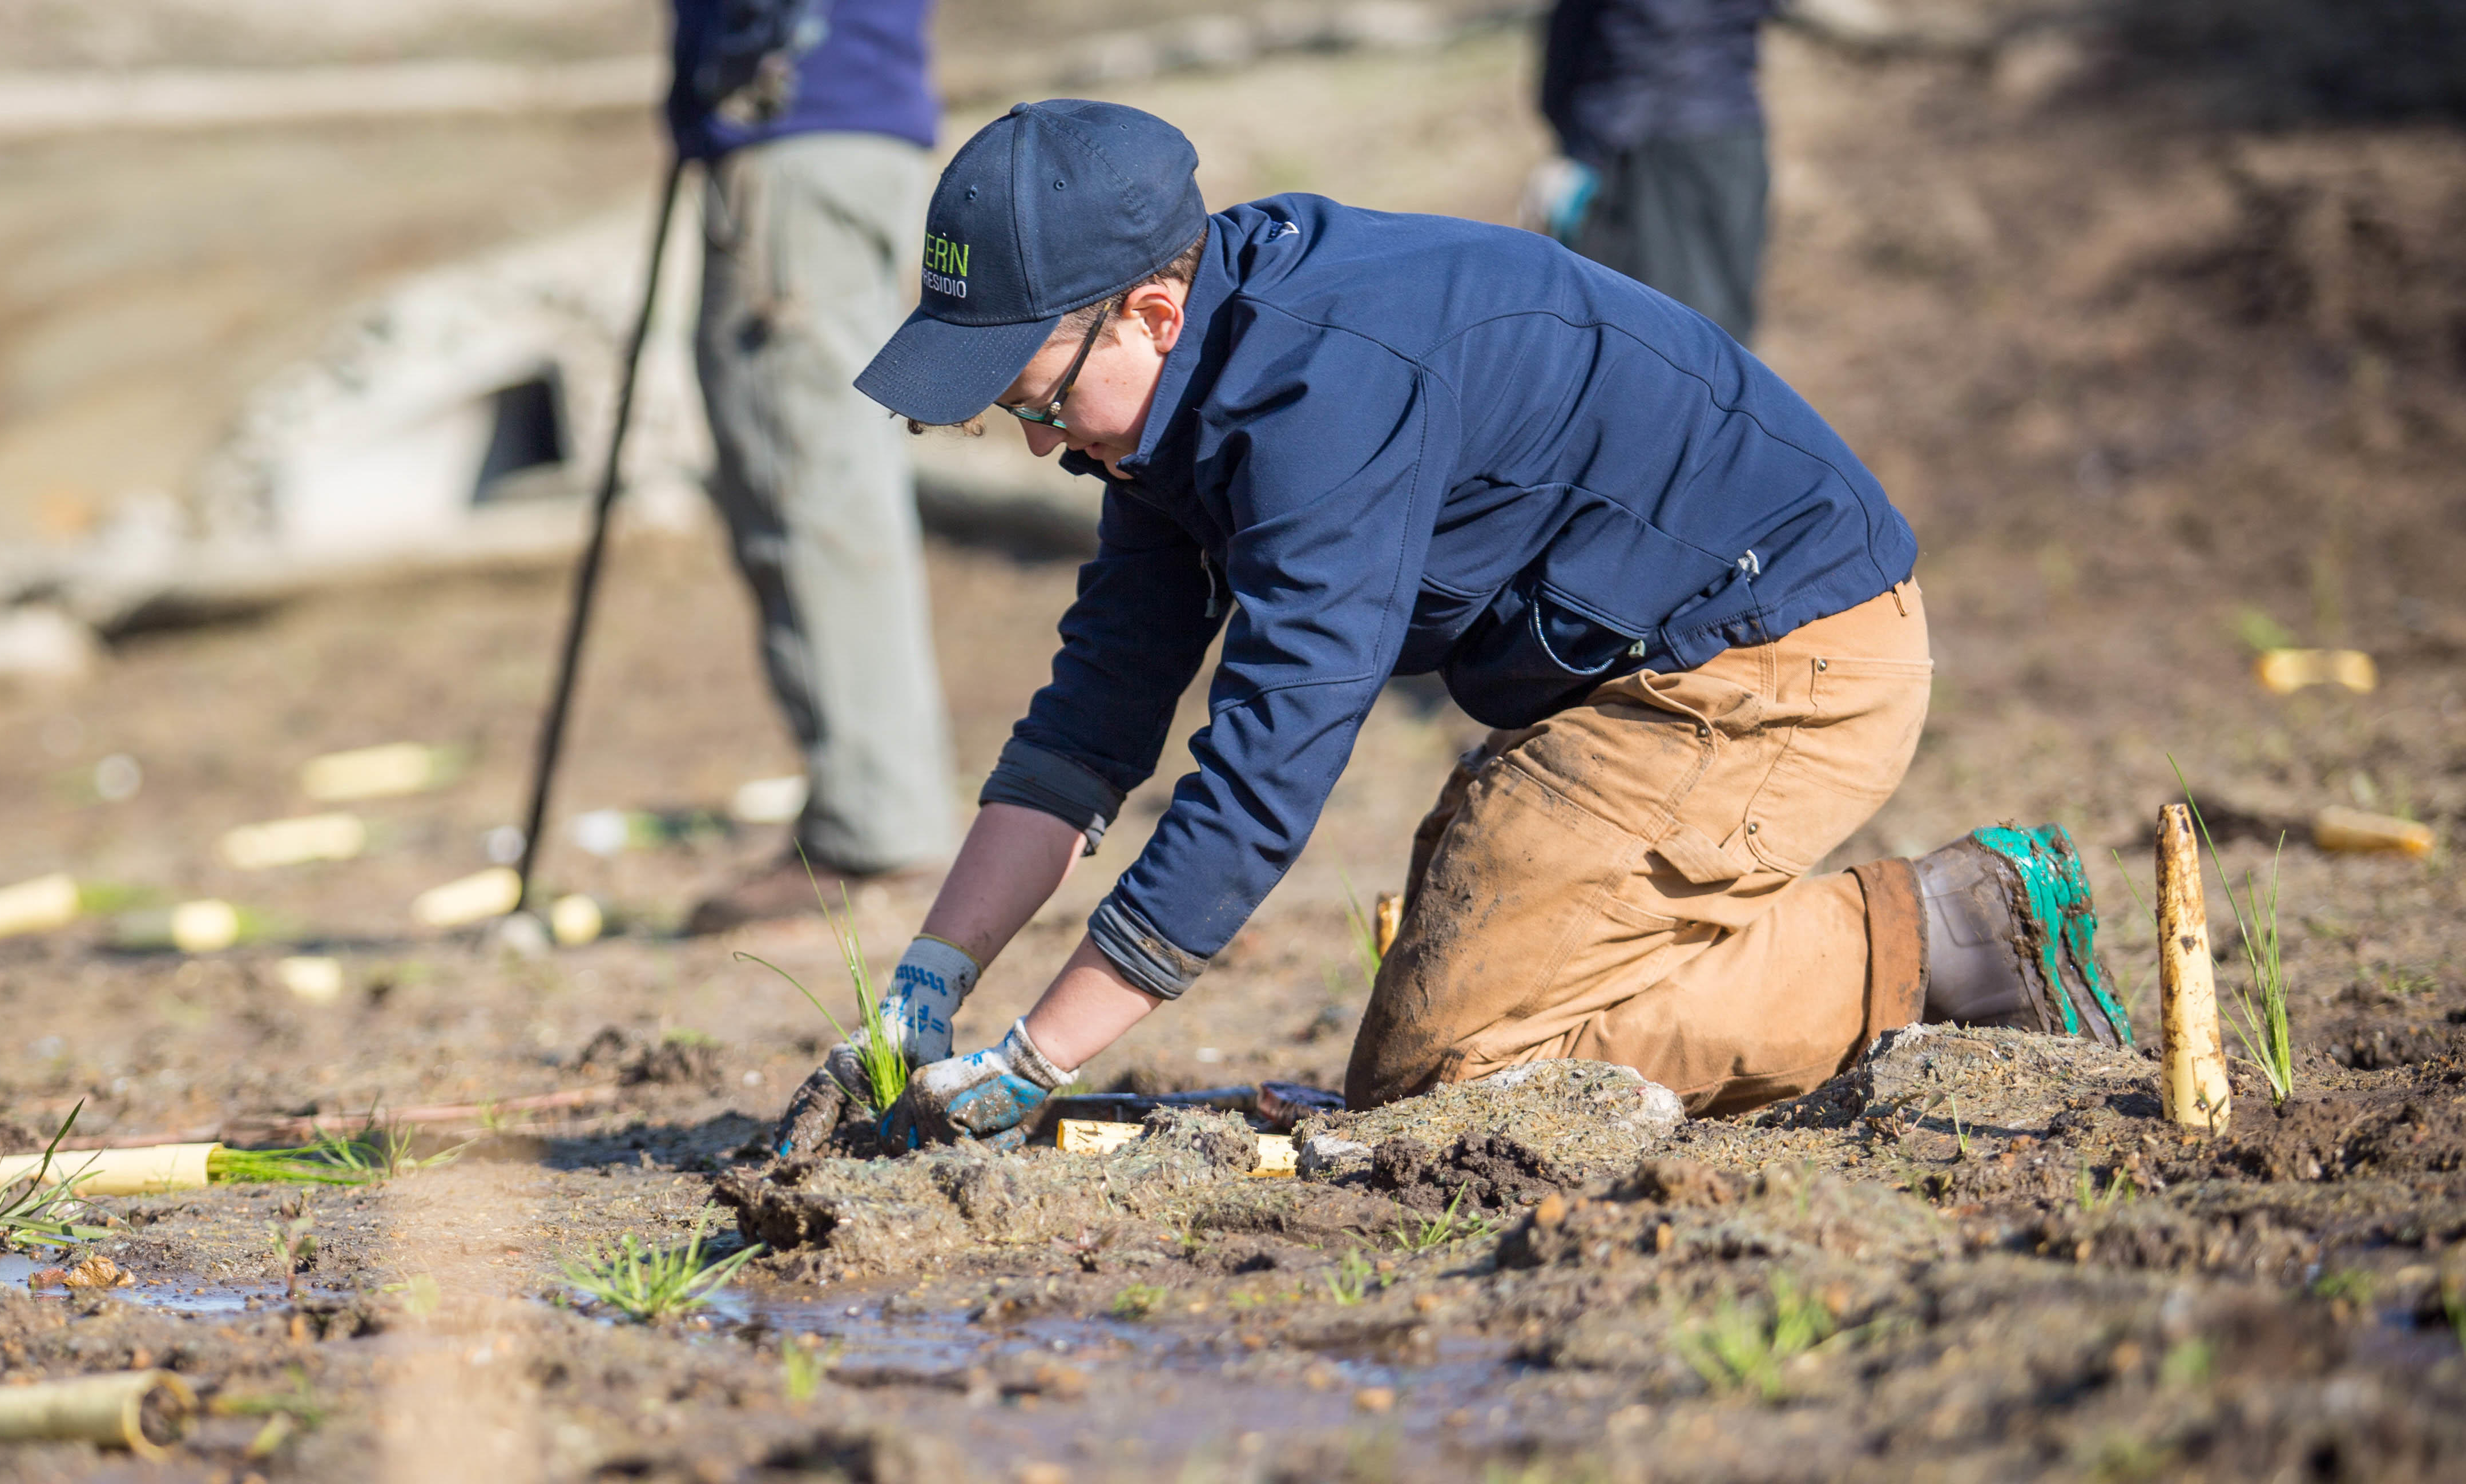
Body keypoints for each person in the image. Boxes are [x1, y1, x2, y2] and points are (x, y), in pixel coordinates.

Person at [778, 100, 2129, 1152]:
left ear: (1149, 310)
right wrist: (932, 976)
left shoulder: (1317, 398)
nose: (1032, 443)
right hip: (1633, 676)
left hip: (1773, 661)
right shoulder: (1173, 403)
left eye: (1035, 400)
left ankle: (1958, 932)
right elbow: (1099, 711)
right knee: (1427, 1059)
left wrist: (1036, 1060)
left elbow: (1262, 773)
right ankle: (1797, 949)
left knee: (1453, 1074)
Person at [666, 0, 958, 933]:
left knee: (806, 475)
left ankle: (871, 825)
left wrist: (750, 44)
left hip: (795, 113)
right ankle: (876, 808)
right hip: (817, 116)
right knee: (822, 465)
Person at [1525, 0, 1778, 343]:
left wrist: (1587, 150)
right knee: (1708, 333)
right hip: (1715, 124)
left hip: (1654, 144)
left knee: (1664, 337)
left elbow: (1657, 27)